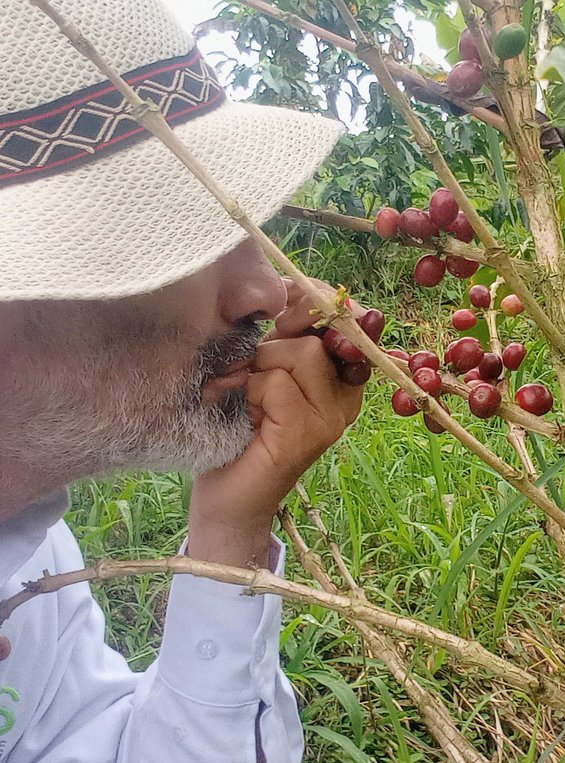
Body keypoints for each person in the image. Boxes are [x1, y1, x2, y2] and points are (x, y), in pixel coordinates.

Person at [0, 0, 364, 759]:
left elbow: (79, 741)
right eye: (193, 236)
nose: (267, 292)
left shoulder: (34, 555)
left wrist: (228, 538)